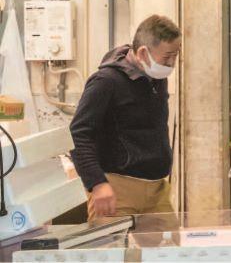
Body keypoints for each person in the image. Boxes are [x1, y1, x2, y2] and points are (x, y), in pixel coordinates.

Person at [70, 14, 181, 222]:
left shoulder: (157, 80)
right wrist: (97, 182)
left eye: (175, 56)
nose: (171, 64)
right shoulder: (105, 82)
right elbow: (78, 134)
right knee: (114, 253)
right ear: (142, 53)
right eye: (166, 58)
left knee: (169, 253)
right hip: (116, 190)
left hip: (157, 189)